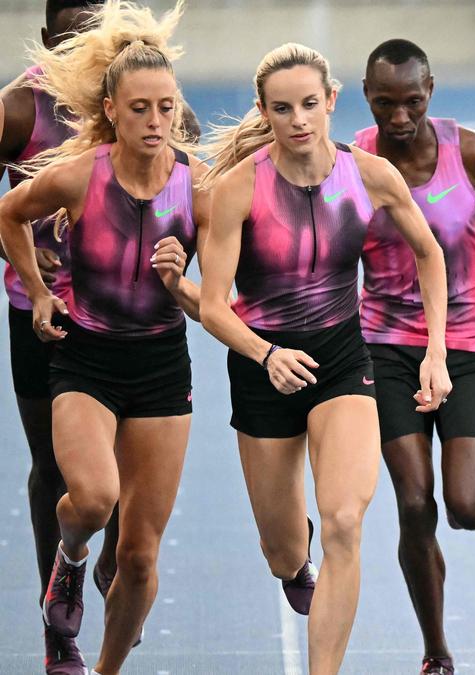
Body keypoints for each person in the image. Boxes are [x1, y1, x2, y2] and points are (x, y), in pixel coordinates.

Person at [199, 42, 451, 675]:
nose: (299, 120)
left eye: (310, 104)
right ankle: (294, 560)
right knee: (283, 550)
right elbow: (213, 306)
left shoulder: (371, 175)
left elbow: (429, 253)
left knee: (344, 521)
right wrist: (266, 354)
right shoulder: (237, 189)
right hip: (263, 370)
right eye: (282, 109)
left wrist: (436, 352)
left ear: (332, 100)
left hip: (341, 360)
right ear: (264, 111)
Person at [0, 2, 205, 673]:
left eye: (164, 109)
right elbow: (9, 212)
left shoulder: (182, 153)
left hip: (155, 351)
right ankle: (62, 579)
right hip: (70, 337)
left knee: (136, 537)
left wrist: (188, 285)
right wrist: (34, 282)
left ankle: (110, 621)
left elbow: (221, 242)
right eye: (140, 109)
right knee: (76, 484)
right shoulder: (43, 135)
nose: (155, 121)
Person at [355, 38, 475, 675]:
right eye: (384, 103)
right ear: (366, 96)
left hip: (463, 346)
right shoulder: (352, 162)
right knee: (414, 504)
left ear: (431, 90)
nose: (399, 117)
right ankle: (436, 651)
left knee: (468, 509)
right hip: (386, 347)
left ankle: (461, 494)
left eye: (411, 101)